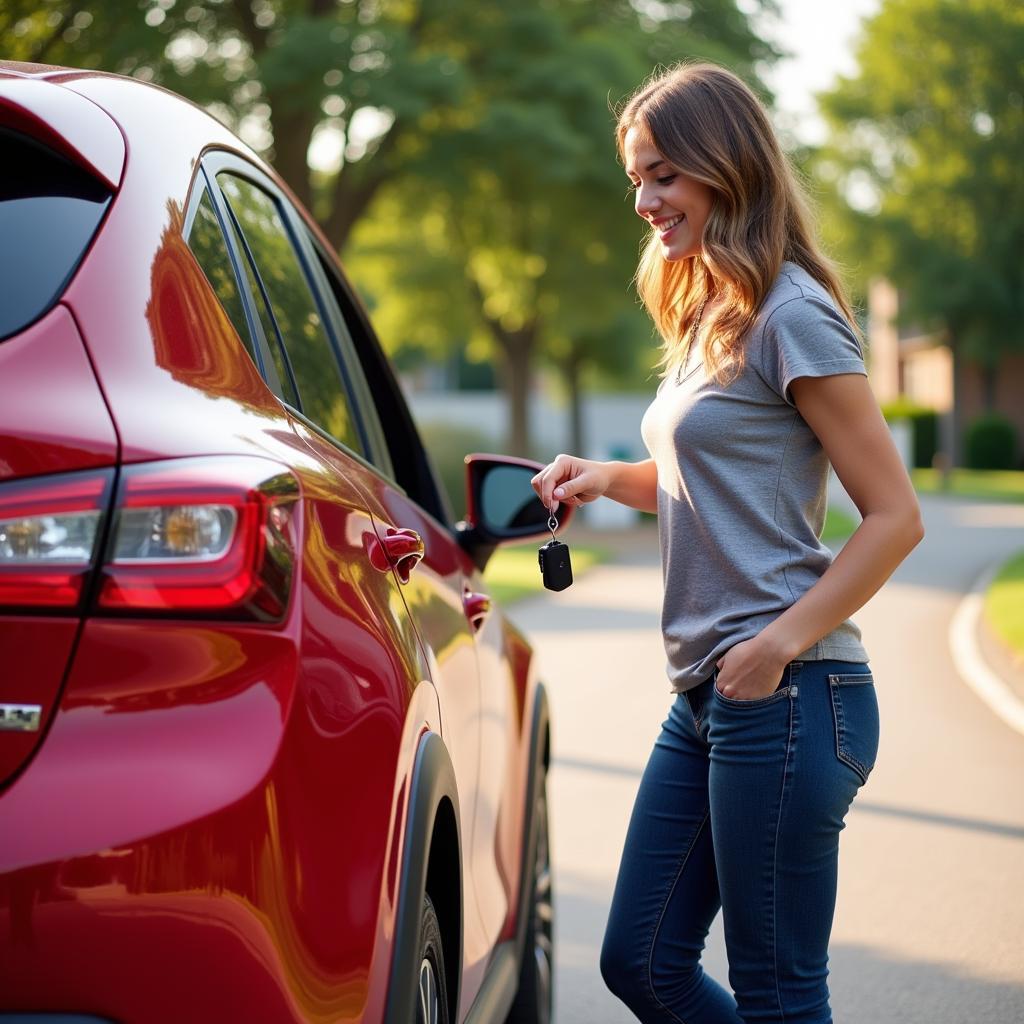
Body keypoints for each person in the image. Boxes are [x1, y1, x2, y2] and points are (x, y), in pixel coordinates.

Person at [530, 61, 924, 1024]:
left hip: (789, 692)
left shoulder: (792, 313)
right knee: (643, 961)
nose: (645, 200)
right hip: (711, 695)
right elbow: (710, 484)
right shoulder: (715, 310)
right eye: (637, 178)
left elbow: (895, 517)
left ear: (723, 163)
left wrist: (775, 647)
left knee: (779, 995)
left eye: (663, 173)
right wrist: (605, 478)